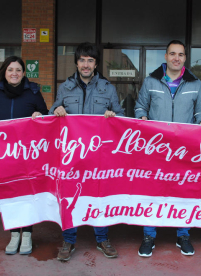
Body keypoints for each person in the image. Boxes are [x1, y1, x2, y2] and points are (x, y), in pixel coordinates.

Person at [50, 42, 123, 262]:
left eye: (90, 60)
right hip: (71, 155)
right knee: (69, 197)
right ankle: (69, 241)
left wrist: (113, 116)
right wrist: (56, 110)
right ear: (76, 62)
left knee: (99, 196)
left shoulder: (108, 88)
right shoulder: (65, 88)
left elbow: (121, 118)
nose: (86, 64)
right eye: (82, 60)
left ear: (96, 64)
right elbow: (51, 115)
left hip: (99, 156)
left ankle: (102, 238)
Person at [134, 40, 201, 257]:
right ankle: (149, 235)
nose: (177, 58)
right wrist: (142, 118)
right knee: (152, 192)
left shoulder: (195, 83)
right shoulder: (150, 81)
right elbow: (140, 106)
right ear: (165, 57)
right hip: (156, 148)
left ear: (185, 58)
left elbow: (200, 112)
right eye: (172, 54)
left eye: (181, 54)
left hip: (185, 149)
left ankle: (183, 235)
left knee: (183, 192)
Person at [0, 56, 49, 255]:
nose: (14, 73)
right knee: (10, 196)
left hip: (28, 156)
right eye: (10, 70)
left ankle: (27, 235)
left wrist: (40, 116)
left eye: (18, 70)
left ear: (24, 73)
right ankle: (14, 236)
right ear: (4, 73)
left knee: (29, 196)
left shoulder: (33, 93)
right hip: (4, 157)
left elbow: (45, 114)